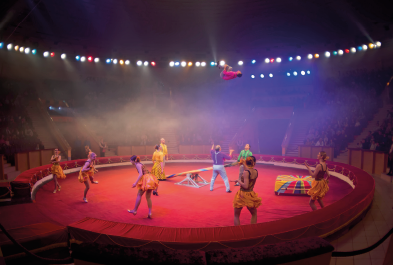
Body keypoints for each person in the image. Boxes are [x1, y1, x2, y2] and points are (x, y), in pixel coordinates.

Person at [232, 156, 261, 225]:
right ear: (254, 163)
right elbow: (248, 171)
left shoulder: (246, 172)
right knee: (254, 214)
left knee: (236, 215)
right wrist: (243, 163)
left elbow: (245, 186)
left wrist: (238, 180)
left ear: (246, 162)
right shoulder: (255, 171)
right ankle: (253, 230)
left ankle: (237, 232)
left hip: (242, 194)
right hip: (250, 194)